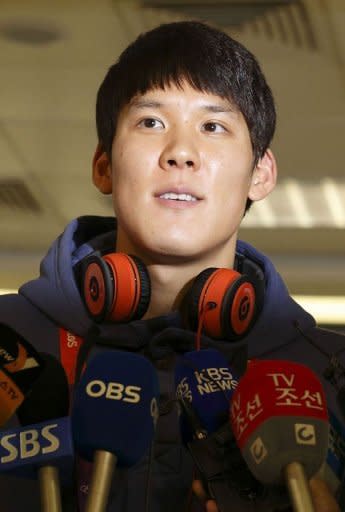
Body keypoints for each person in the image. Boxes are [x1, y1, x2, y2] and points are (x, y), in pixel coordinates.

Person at [0, 20, 343, 512]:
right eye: (151, 123)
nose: (181, 153)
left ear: (261, 174)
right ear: (103, 165)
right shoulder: (8, 341)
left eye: (213, 126)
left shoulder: (329, 376)